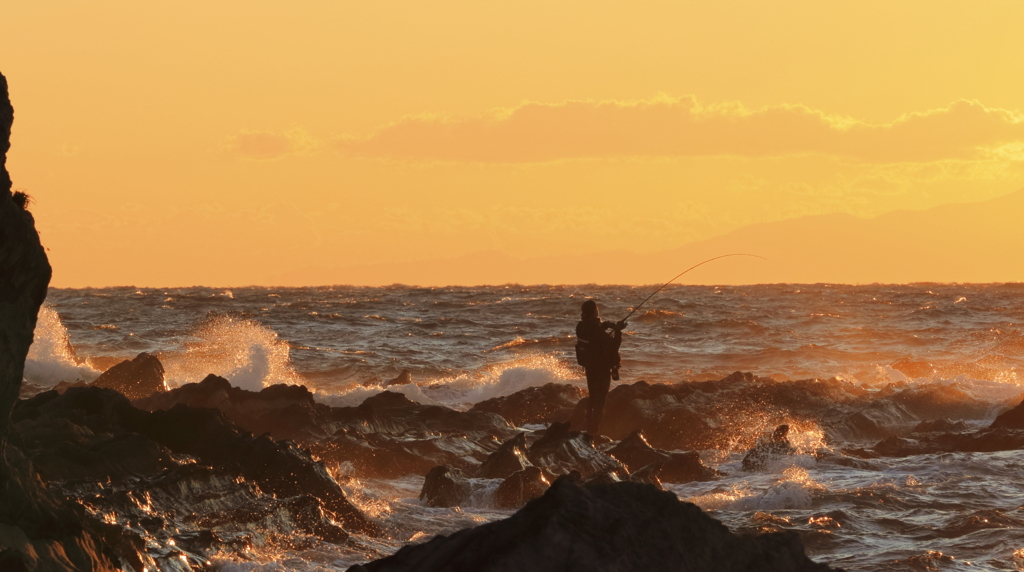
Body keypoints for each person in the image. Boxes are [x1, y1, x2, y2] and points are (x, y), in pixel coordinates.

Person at [575, 300, 626, 440]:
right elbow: (614, 345)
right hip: (601, 369)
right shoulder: (596, 330)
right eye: (596, 309)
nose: (598, 310)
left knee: (592, 398)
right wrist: (618, 330)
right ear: (594, 311)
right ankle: (594, 432)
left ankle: (589, 429)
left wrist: (606, 325)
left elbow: (592, 331)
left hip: (589, 367)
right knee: (600, 401)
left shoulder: (580, 326)